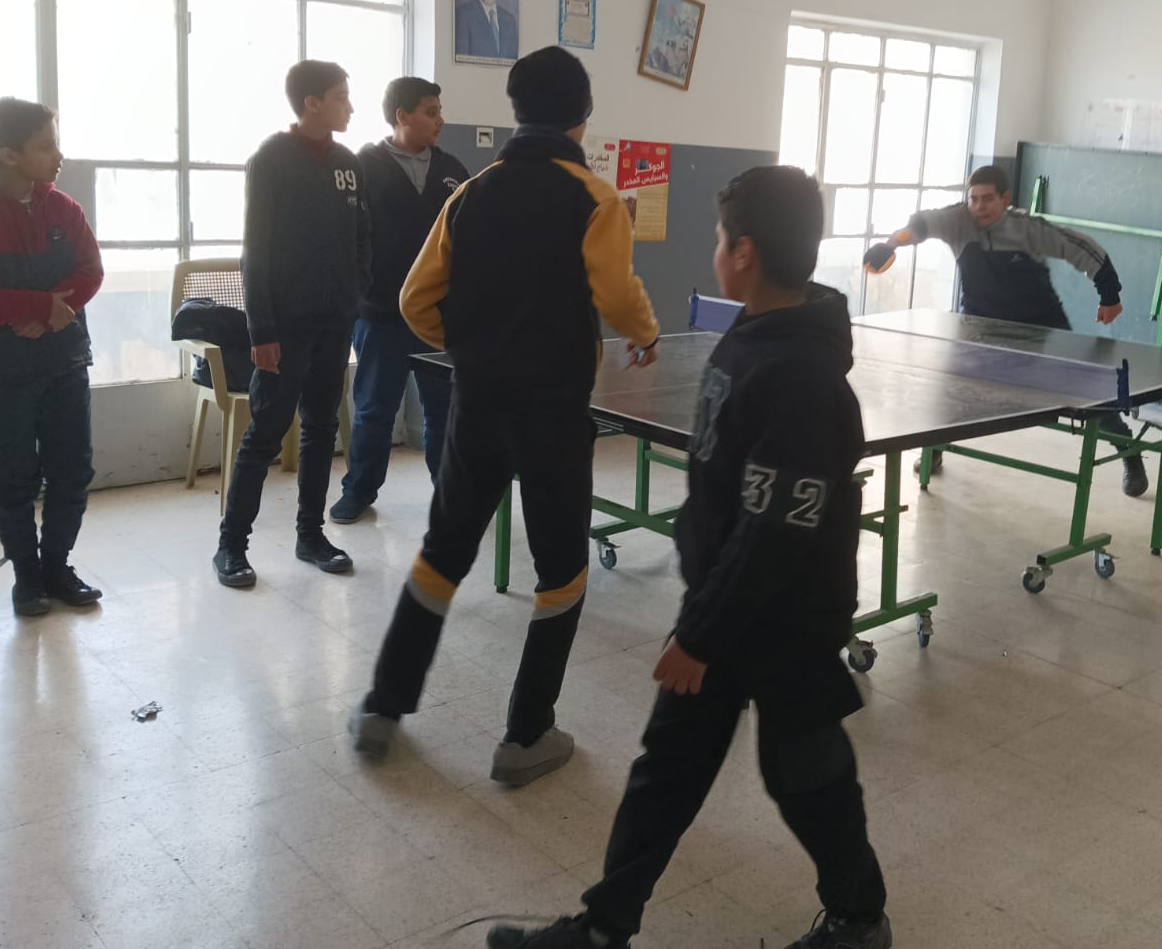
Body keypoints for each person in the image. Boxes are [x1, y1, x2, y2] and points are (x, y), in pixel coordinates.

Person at [486, 167, 891, 949]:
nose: (715, 250)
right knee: (668, 768)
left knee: (805, 775)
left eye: (717, 238)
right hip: (725, 604)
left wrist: (700, 636)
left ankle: (859, 918)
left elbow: (774, 531)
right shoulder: (757, 331)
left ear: (743, 253)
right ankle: (604, 926)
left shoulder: (801, 378)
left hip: (784, 621)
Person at [350, 46, 660, 785]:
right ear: (583, 115)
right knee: (561, 570)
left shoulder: (471, 191)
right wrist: (644, 332)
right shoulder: (594, 197)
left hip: (478, 402)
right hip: (553, 413)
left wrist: (471, 347)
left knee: (443, 552)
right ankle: (526, 737)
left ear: (515, 111)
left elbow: (415, 300)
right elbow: (617, 295)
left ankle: (383, 707)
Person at [865, 163, 1148, 496]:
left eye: (988, 199)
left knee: (1091, 396)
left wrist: (1109, 295)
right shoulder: (958, 220)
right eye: (974, 199)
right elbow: (921, 225)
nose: (979, 207)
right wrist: (892, 243)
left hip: (1041, 326)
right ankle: (934, 451)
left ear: (1005, 199)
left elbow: (1080, 248)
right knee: (949, 392)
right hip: (980, 326)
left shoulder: (1027, 229)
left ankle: (1130, 454)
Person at [0, 98, 104, 617]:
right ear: (9, 155)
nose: (59, 156)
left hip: (65, 362)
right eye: (46, 146)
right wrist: (38, 307)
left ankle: (56, 566)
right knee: (14, 480)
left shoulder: (65, 209)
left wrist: (54, 314)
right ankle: (26, 577)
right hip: (4, 371)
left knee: (72, 472)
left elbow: (91, 272)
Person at [212, 60, 370, 588]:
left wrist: (354, 296)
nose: (350, 107)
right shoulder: (272, 159)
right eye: (341, 97)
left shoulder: (348, 163)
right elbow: (255, 251)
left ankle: (311, 536)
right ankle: (231, 547)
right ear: (312, 103)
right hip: (285, 328)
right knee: (265, 432)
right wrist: (262, 332)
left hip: (335, 323)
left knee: (322, 428)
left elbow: (361, 238)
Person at [330, 77, 468, 523]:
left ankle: (450, 491)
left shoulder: (453, 170)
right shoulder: (362, 167)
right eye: (431, 112)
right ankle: (359, 491)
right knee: (374, 410)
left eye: (440, 111)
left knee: (444, 411)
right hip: (380, 316)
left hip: (438, 319)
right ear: (401, 116)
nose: (440, 120)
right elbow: (345, 239)